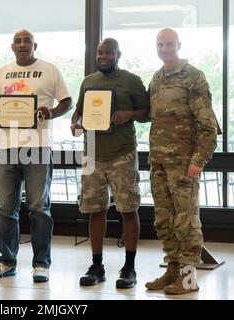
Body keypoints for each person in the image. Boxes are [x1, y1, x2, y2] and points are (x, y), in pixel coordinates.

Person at [0, 29, 72, 283]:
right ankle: (6, 262)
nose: (23, 45)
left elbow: (67, 101)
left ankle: (41, 264)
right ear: (12, 47)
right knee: (6, 207)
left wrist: (51, 113)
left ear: (35, 45)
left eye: (27, 42)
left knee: (38, 208)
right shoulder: (2, 72)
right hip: (7, 147)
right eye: (18, 42)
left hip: (38, 146)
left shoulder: (50, 70)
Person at [71, 38, 149, 289]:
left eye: (108, 53)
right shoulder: (89, 81)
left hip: (122, 154)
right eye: (100, 52)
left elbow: (147, 113)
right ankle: (97, 265)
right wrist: (74, 123)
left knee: (128, 209)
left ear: (118, 54)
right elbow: (79, 111)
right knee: (95, 210)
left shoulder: (131, 81)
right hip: (93, 154)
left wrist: (129, 114)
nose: (103, 56)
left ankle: (129, 267)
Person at [145, 28, 217, 295]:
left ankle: (188, 278)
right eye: (160, 44)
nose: (165, 49)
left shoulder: (194, 77)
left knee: (186, 220)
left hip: (185, 163)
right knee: (164, 219)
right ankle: (173, 270)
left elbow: (208, 126)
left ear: (179, 45)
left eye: (169, 44)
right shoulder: (157, 77)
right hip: (159, 162)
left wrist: (199, 159)